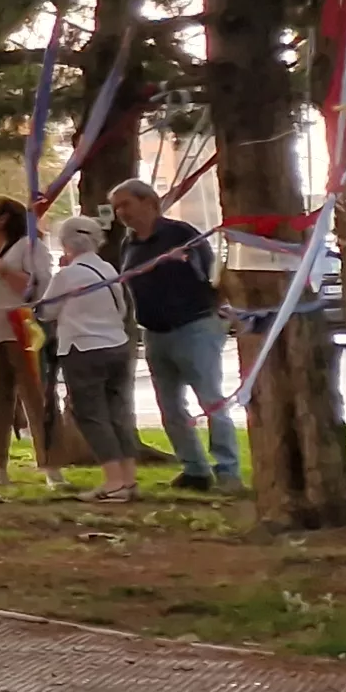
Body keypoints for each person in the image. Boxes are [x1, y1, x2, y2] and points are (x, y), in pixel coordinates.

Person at [108, 179, 244, 494]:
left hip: (194, 326)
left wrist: (219, 309)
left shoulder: (179, 234)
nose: (121, 213)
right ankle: (195, 469)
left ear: (149, 202)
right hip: (155, 332)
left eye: (126, 204)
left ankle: (228, 470)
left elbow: (213, 273)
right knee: (169, 405)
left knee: (210, 400)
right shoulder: (129, 244)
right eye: (117, 207)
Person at [46, 214, 143, 502]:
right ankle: (128, 477)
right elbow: (123, 310)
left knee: (92, 415)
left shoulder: (67, 275)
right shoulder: (108, 270)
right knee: (118, 413)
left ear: (66, 244)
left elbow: (46, 311)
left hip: (83, 348)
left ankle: (113, 482)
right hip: (116, 345)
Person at [0, 197, 61, 495]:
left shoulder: (28, 247)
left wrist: (4, 271)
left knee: (35, 398)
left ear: (3, 219)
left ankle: (51, 466)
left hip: (22, 332)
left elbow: (39, 287)